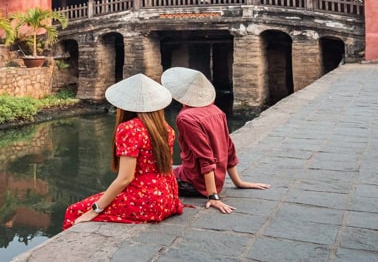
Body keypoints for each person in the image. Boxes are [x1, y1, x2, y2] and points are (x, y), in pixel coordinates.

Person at [63, 73, 184, 229]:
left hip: (145, 201)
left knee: (74, 211)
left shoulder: (129, 129)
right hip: (168, 198)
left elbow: (125, 178)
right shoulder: (166, 128)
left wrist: (95, 210)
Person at [162, 67, 270, 214]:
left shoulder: (186, 118)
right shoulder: (216, 111)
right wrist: (238, 182)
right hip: (213, 178)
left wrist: (213, 197)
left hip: (194, 182)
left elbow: (205, 157)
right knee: (171, 170)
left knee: (148, 179)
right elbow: (228, 148)